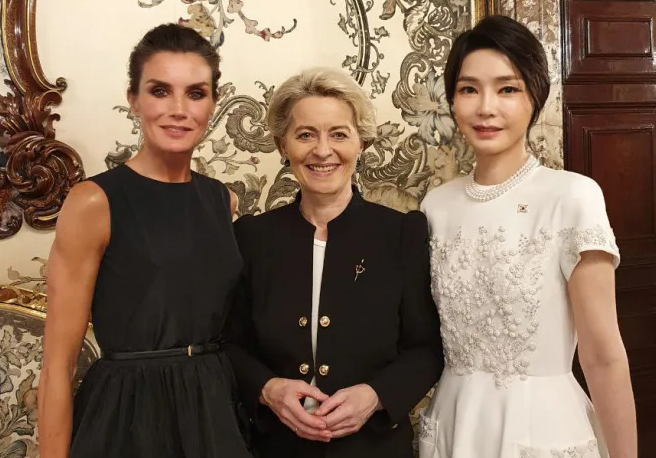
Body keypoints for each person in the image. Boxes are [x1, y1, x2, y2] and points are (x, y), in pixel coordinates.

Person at [418, 15, 637, 458]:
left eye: (507, 89)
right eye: (468, 89)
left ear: (535, 97)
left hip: (540, 426)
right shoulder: (435, 206)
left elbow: (602, 356)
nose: (486, 107)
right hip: (454, 422)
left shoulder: (572, 196)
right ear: (452, 101)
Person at [38, 23, 251, 458]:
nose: (179, 109)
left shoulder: (222, 200)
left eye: (196, 93)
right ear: (133, 99)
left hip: (214, 408)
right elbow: (58, 365)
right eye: (159, 91)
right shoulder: (94, 201)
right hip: (130, 416)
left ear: (213, 103)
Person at [224, 67, 444, 458]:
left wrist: (376, 396)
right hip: (277, 450)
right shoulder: (252, 237)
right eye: (305, 135)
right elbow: (229, 344)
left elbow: (426, 348)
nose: (323, 151)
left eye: (339, 134)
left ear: (361, 142)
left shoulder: (401, 234)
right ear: (282, 145)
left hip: (375, 449)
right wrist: (268, 389)